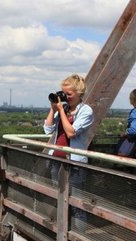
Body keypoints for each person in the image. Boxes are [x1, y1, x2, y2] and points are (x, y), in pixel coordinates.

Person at [43, 74, 94, 231]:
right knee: (59, 198)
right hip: (56, 161)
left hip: (75, 163)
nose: (65, 97)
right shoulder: (63, 108)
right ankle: (63, 231)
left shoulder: (86, 111)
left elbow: (71, 132)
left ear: (79, 93)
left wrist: (62, 112)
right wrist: (53, 110)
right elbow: (48, 129)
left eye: (69, 94)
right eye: (63, 93)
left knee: (76, 201)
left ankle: (79, 235)